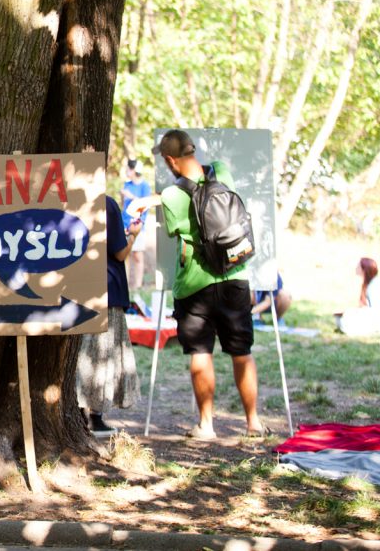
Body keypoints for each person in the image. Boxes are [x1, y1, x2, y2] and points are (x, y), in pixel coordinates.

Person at [153, 129, 267, 439]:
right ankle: (253, 422)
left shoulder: (171, 195)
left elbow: (175, 230)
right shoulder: (223, 172)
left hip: (194, 285)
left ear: (169, 159)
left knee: (201, 353)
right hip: (234, 278)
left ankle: (206, 425)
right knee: (242, 351)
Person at [77, 195, 142, 435]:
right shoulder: (106, 203)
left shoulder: (70, 199)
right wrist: (133, 234)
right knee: (101, 354)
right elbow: (120, 252)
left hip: (78, 287)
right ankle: (95, 415)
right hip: (107, 287)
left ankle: (79, 411)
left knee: (83, 354)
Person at [337, 258, 380, 336]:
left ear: (364, 270)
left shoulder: (376, 285)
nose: (356, 268)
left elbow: (379, 311)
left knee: (348, 317)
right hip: (378, 319)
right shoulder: (371, 284)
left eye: (358, 267)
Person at [121, 159, 152, 289]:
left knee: (137, 255)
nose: (127, 171)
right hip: (124, 223)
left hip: (138, 224)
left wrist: (131, 196)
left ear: (133, 170)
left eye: (128, 169)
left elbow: (146, 203)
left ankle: (138, 285)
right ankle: (125, 284)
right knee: (124, 255)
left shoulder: (145, 186)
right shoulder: (126, 184)